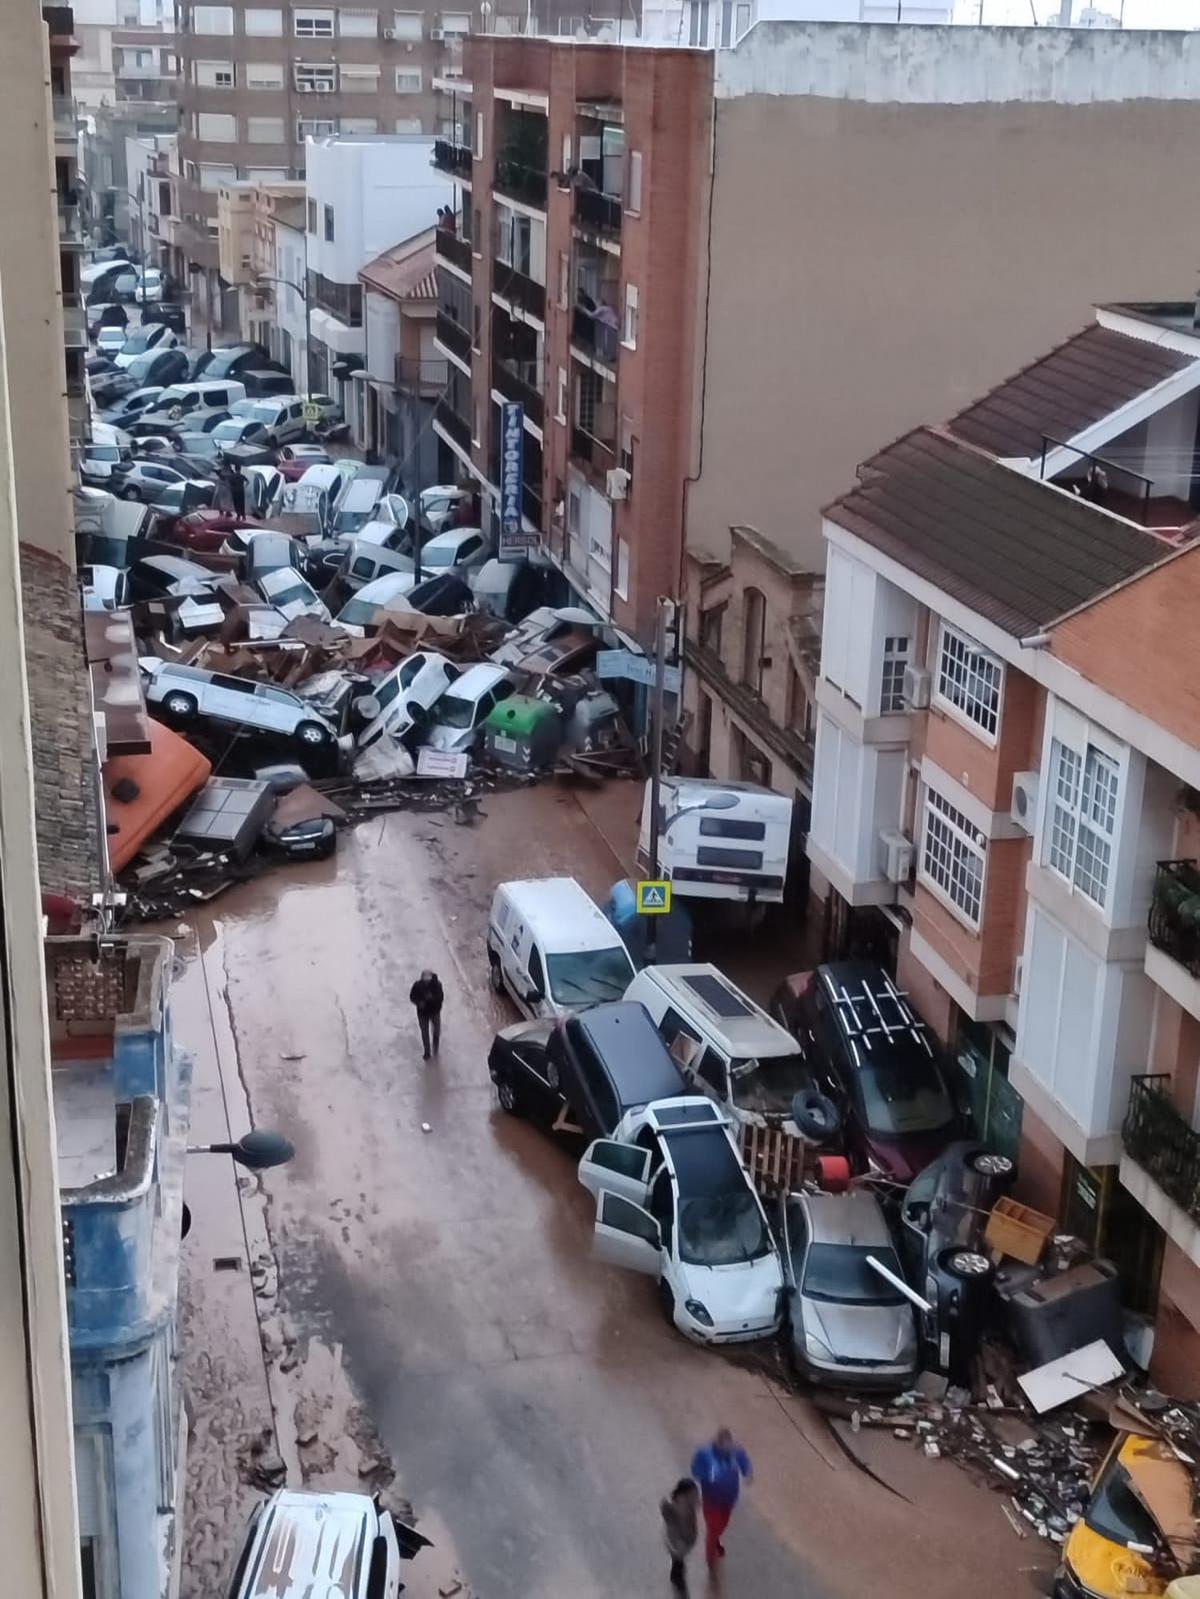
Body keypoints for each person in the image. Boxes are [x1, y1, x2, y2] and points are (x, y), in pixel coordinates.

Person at [690, 1429, 752, 1570]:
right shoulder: (705, 1454)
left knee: (722, 1526)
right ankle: (710, 1559)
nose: (727, 1450)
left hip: (729, 1501)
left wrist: (748, 1474)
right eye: (724, 1446)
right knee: (713, 1530)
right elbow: (695, 1471)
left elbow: (745, 1465)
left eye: (729, 1446)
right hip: (711, 1502)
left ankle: (716, 1539)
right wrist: (707, 1477)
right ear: (717, 1443)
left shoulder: (736, 1452)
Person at [660, 1478, 699, 1596]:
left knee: (678, 1561)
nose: (696, 1496)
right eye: (694, 1493)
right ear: (685, 1493)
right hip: (679, 1542)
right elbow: (684, 1529)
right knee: (678, 1562)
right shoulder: (682, 1509)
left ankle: (676, 1576)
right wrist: (688, 1541)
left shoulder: (682, 1502)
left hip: (678, 1541)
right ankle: (678, 1581)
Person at [409, 970, 444, 1060]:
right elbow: (412, 997)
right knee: (425, 1033)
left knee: (436, 1030)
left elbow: (441, 998)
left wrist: (432, 998)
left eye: (428, 980)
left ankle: (435, 1046)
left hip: (434, 1012)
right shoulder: (417, 986)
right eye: (425, 980)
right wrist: (419, 1002)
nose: (426, 982)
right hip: (422, 1013)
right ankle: (427, 1052)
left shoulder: (437, 985)